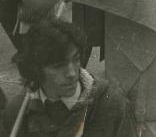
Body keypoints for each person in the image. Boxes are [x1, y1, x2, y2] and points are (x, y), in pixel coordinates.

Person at [0, 18, 137, 137]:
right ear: (37, 70)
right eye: (58, 66)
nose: (72, 73)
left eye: (76, 59)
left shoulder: (111, 105)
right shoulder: (17, 113)